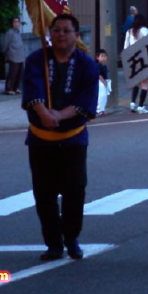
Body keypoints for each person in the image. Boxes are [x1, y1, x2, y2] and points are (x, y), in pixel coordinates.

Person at [22, 14, 99, 261]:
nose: (61, 35)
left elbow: (86, 100)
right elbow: (32, 90)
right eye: (56, 30)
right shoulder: (36, 59)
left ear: (77, 35)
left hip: (73, 139)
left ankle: (72, 237)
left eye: (66, 31)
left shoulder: (87, 64)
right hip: (40, 138)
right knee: (44, 193)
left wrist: (59, 115)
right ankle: (53, 243)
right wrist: (43, 112)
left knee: (75, 190)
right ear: (50, 33)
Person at [124, 14, 148, 113]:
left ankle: (132, 103)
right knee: (144, 83)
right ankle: (140, 106)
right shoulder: (147, 31)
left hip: (133, 60)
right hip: (144, 59)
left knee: (136, 81)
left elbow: (125, 48)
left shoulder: (129, 32)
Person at [2, 16, 26, 95]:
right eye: (14, 22)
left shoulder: (18, 32)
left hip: (20, 55)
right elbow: (5, 44)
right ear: (12, 23)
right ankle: (9, 88)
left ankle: (16, 88)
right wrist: (5, 54)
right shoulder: (9, 32)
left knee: (19, 73)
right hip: (13, 55)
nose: (16, 24)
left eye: (17, 22)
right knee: (13, 72)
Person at [95, 49, 110, 116]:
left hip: (105, 81)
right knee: (102, 95)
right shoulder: (98, 65)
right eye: (102, 56)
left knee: (104, 96)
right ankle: (99, 110)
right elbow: (99, 75)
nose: (104, 58)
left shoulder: (104, 65)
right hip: (100, 82)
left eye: (105, 56)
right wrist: (103, 81)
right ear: (98, 57)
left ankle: (102, 109)